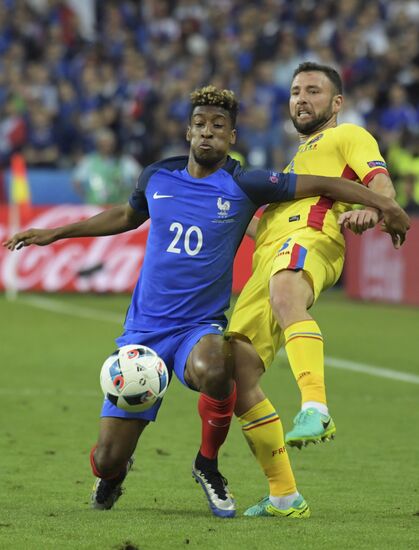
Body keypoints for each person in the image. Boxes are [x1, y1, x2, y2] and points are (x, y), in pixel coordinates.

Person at [3, 85, 409, 519]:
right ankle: (113, 474)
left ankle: (208, 465)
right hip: (144, 333)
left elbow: (326, 183)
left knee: (221, 365)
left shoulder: (245, 182)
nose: (208, 133)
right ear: (188, 132)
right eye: (200, 125)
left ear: (232, 136)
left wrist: (387, 207)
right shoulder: (156, 176)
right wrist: (54, 233)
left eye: (219, 127)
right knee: (107, 457)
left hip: (198, 330)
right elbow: (124, 216)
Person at [228, 62, 406, 515]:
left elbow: (379, 181)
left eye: (312, 90)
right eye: (294, 92)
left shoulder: (348, 136)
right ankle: (285, 495)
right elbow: (258, 226)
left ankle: (316, 406)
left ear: (336, 103)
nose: (301, 99)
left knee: (288, 294)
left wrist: (378, 208)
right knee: (238, 374)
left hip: (310, 236)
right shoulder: (295, 161)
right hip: (267, 255)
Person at [73, 128, 142, 204]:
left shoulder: (124, 161)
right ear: (98, 144)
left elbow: (140, 176)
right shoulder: (89, 161)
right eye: (104, 143)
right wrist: (87, 197)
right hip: (96, 207)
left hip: (119, 207)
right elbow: (76, 181)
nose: (108, 146)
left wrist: (132, 194)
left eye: (110, 143)